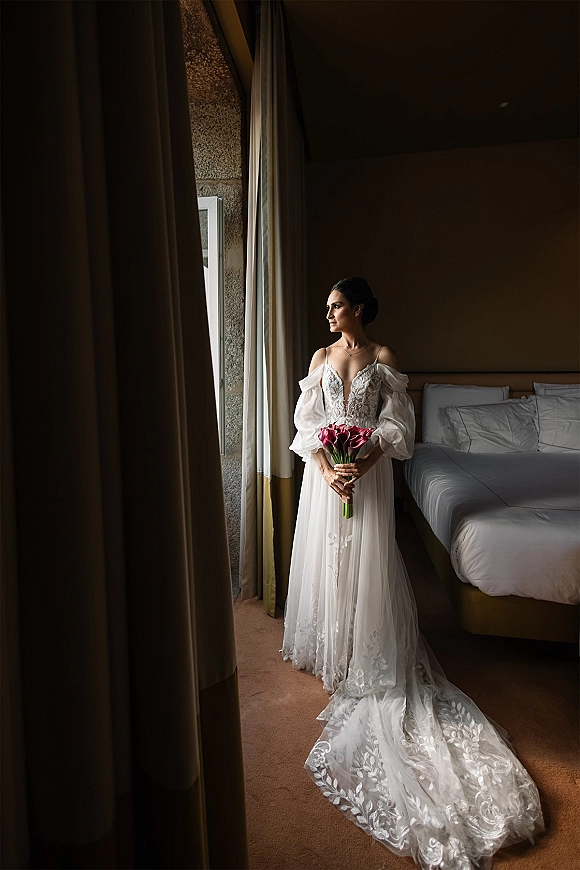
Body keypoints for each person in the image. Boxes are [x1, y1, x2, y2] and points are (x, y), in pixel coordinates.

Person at [281, 277, 544, 869]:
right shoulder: (321, 358)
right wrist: (328, 469)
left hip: (366, 480)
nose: (328, 314)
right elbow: (306, 424)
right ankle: (333, 641)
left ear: (361, 308)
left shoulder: (382, 358)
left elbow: (399, 429)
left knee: (368, 558)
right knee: (329, 557)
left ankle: (364, 645)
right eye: (326, 306)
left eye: (337, 305)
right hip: (329, 484)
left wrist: (360, 463)